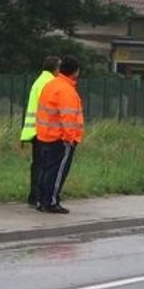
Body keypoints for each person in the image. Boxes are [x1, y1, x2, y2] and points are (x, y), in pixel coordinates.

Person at [35, 55, 84, 214]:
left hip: (45, 135)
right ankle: (51, 201)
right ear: (75, 72)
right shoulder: (67, 90)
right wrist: (69, 139)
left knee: (46, 170)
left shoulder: (50, 85)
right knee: (57, 172)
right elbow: (68, 117)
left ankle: (41, 200)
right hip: (61, 138)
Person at [20, 56, 60, 208]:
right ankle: (38, 197)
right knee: (43, 166)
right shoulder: (49, 82)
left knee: (38, 164)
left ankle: (34, 196)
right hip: (43, 129)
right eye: (59, 68)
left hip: (34, 129)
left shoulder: (39, 80)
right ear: (55, 69)